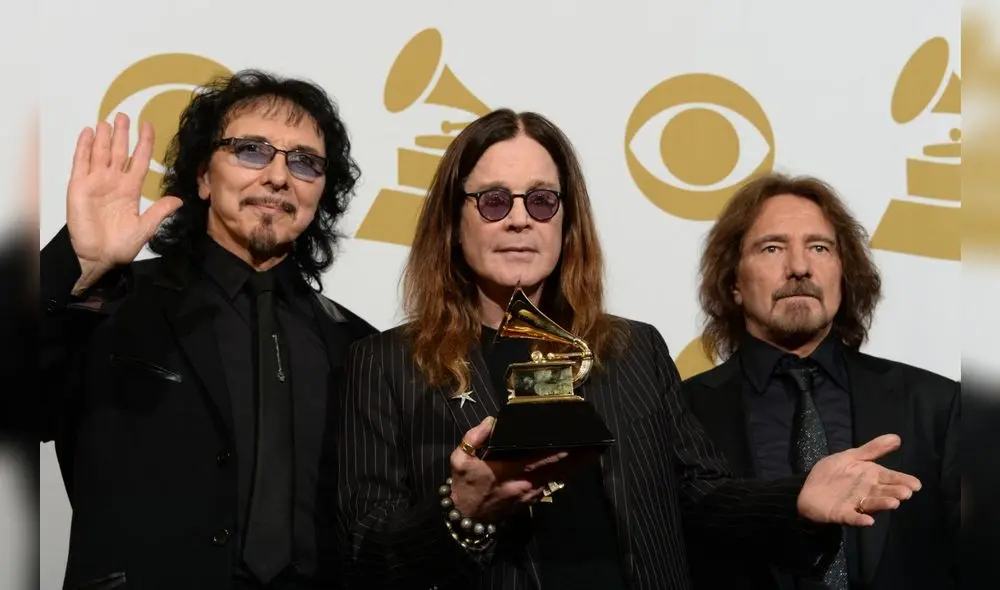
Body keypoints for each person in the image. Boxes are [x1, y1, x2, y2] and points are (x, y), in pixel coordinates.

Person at [335, 109, 922, 590]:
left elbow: (698, 497)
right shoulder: (386, 364)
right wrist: (459, 511)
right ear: (452, 221)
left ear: (567, 222)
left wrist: (796, 498)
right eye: (493, 200)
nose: (519, 220)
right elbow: (366, 549)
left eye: (542, 200)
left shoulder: (633, 349)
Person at [39, 71, 376, 589]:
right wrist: (73, 265)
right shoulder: (110, 301)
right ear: (202, 176)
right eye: (251, 150)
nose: (279, 177)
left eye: (304, 162)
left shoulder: (357, 345)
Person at [682, 172, 959, 590]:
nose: (798, 267)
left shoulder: (937, 403)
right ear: (734, 282)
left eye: (819, 247)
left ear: (842, 275)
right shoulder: (683, 412)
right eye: (772, 247)